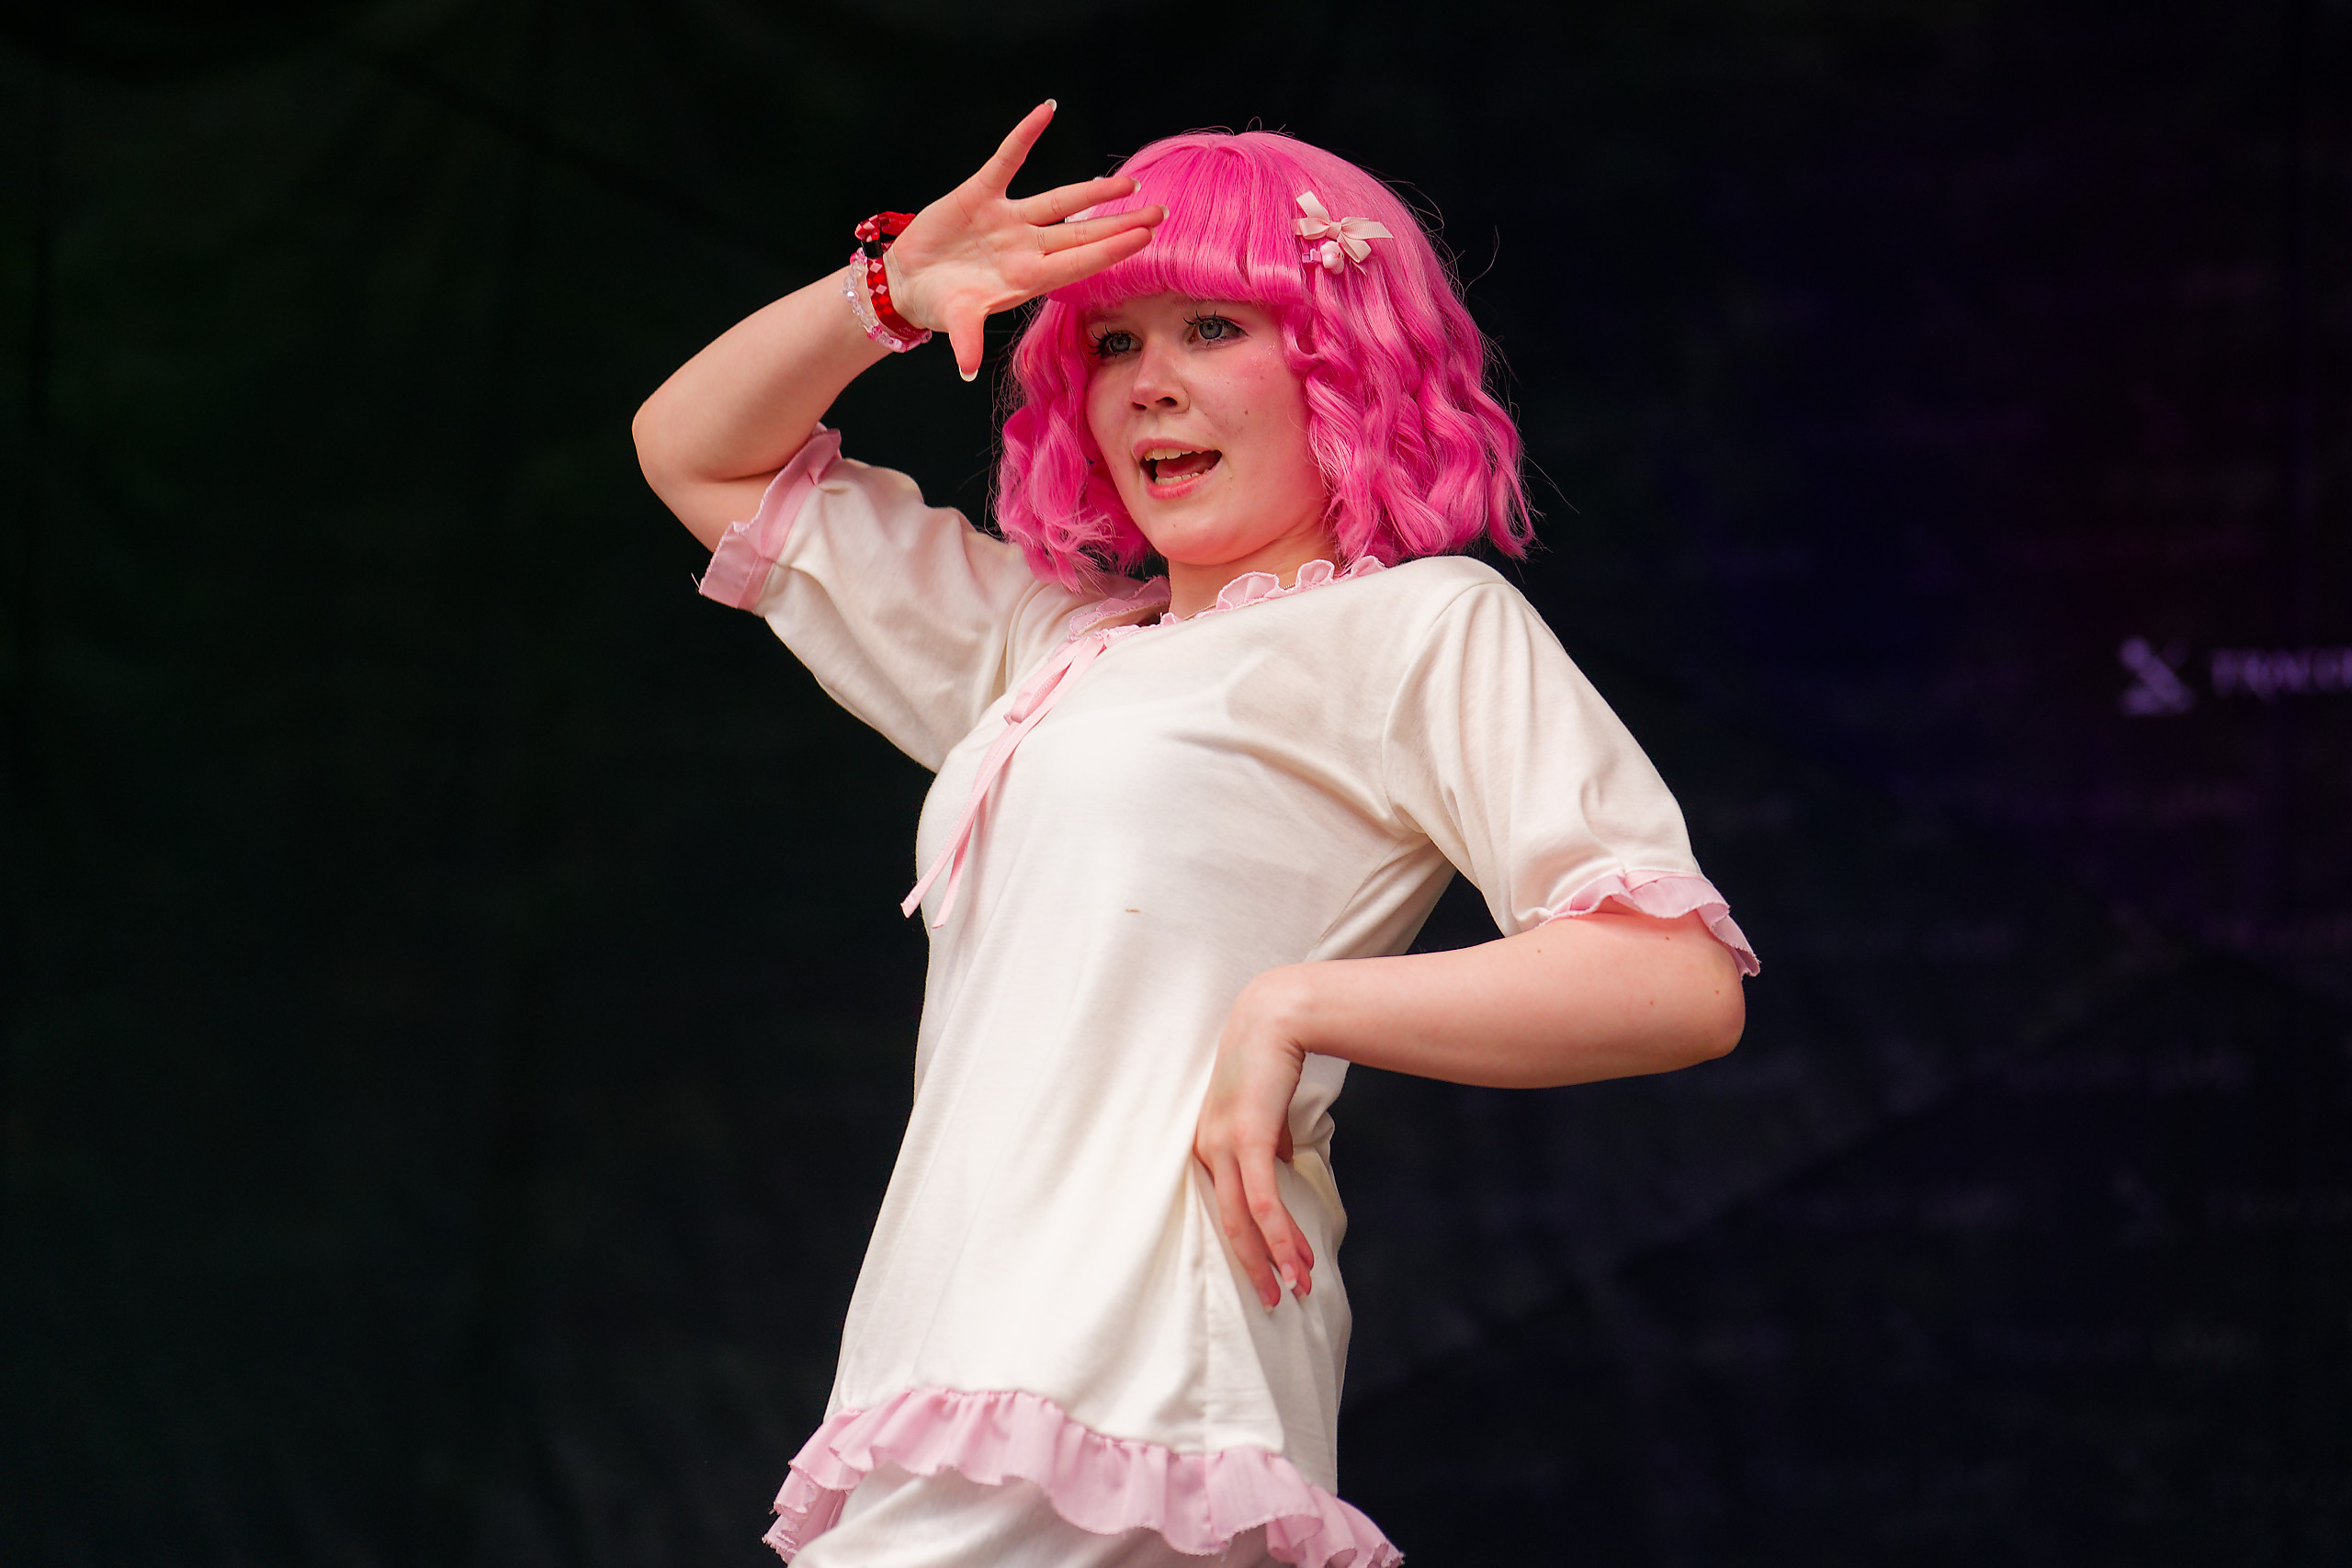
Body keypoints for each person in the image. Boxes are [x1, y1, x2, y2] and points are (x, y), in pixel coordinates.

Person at [633, 103, 1757, 1568]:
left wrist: (1300, 1004)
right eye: (1114, 343)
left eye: (1213, 328)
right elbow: (697, 456)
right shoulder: (1046, 648)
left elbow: (1673, 978)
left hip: (1143, 1367)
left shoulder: (1418, 626)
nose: (1151, 383)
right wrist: (891, 294)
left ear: (1340, 362)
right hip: (954, 1365)